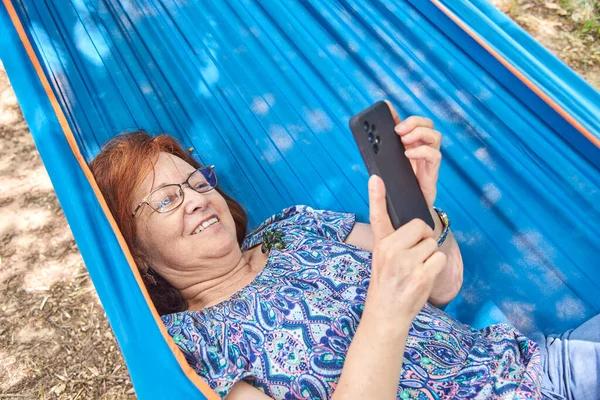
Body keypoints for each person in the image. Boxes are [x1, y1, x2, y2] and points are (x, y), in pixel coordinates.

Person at [89, 103, 598, 400]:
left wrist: (419, 212)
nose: (197, 199)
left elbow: (443, 286)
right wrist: (386, 309)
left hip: (538, 369)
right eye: (165, 199)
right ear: (134, 254)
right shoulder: (192, 348)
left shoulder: (293, 228)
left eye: (197, 182)